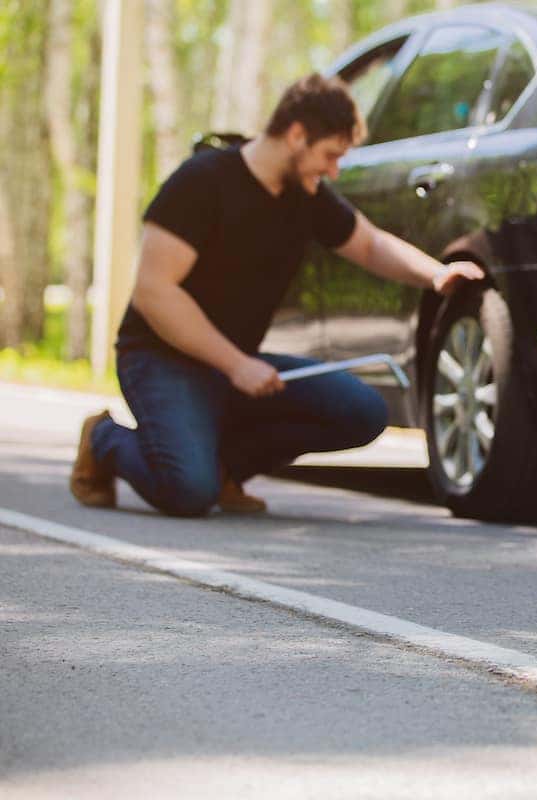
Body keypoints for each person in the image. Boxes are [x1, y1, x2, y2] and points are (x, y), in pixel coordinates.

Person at [69, 73, 484, 517]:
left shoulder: (305, 194)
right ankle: (104, 440)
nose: (333, 171)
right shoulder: (201, 182)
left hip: (236, 364)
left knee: (361, 410)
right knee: (189, 491)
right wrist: (237, 364)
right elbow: (154, 293)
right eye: (329, 156)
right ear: (296, 135)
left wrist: (437, 274)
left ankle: (224, 468)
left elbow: (368, 244)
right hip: (160, 357)